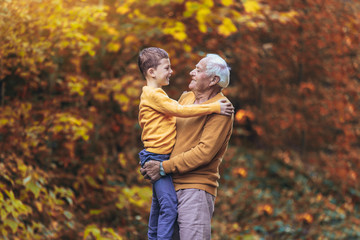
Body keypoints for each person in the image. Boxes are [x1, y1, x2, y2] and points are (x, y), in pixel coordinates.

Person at [137, 47, 234, 240]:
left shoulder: (222, 109)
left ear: (214, 80)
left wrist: (163, 167)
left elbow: (204, 153)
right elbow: (166, 132)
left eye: (198, 70)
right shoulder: (186, 98)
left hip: (195, 188)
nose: (191, 72)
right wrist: (150, 161)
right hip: (170, 181)